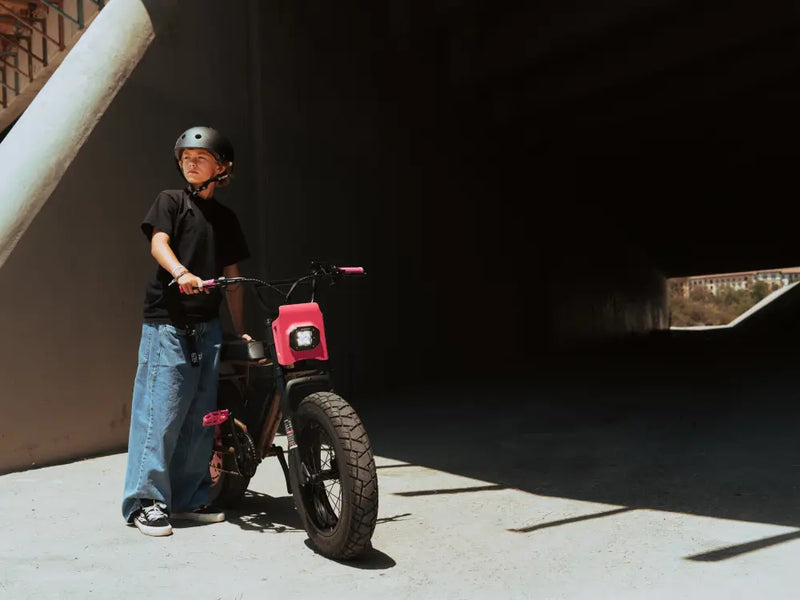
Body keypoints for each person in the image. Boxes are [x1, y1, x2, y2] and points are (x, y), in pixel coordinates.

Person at [121, 126, 252, 536]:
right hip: (169, 323)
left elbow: (232, 277)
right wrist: (181, 272)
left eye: (200, 156)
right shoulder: (171, 201)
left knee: (201, 417)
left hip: (207, 327)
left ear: (222, 166)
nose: (190, 163)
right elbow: (159, 244)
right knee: (160, 414)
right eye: (185, 158)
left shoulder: (225, 218)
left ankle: (188, 496)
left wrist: (240, 329)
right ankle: (145, 502)